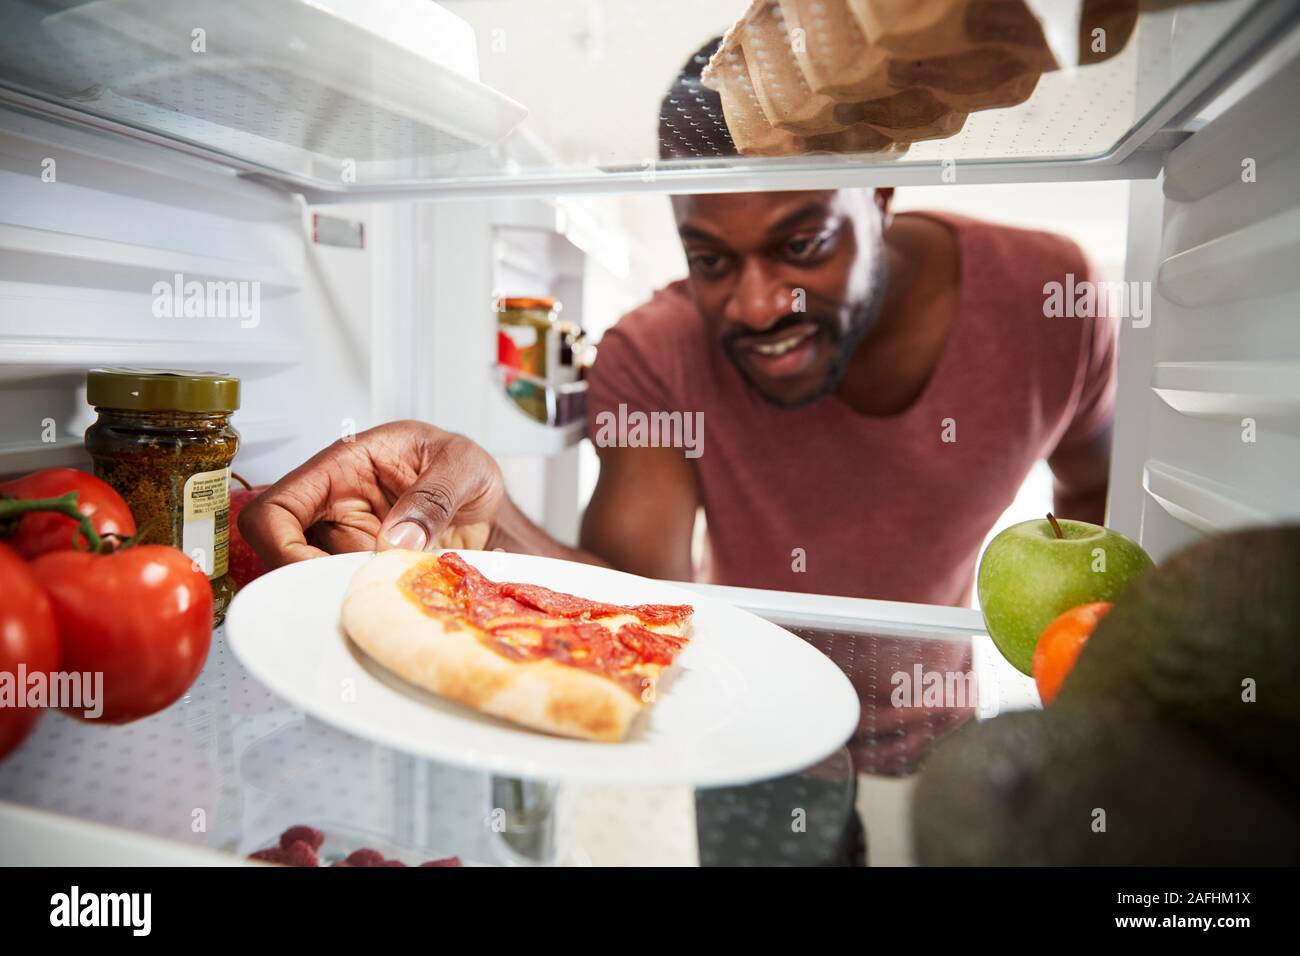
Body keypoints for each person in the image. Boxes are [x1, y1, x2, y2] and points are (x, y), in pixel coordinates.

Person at [240, 41, 1115, 608]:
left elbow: (1094, 510)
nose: (759, 305)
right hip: (743, 719)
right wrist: (488, 506)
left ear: (880, 194)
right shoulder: (655, 356)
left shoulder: (1047, 295)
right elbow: (628, 601)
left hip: (942, 729)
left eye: (802, 243)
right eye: (712, 261)